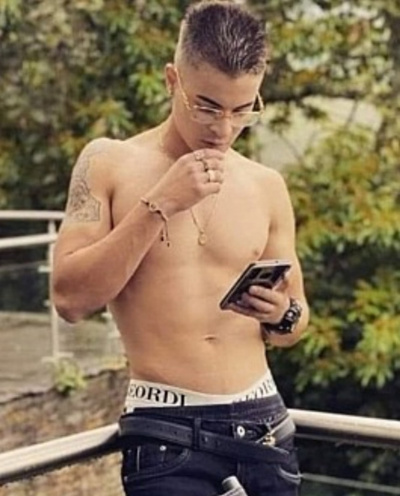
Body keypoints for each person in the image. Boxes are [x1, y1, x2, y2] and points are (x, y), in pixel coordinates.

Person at [51, 1, 309, 495]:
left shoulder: (267, 185)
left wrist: (281, 314)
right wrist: (159, 204)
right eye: (207, 106)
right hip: (167, 430)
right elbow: (70, 300)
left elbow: (295, 324)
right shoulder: (109, 163)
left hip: (266, 426)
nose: (223, 129)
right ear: (173, 80)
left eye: (242, 110)